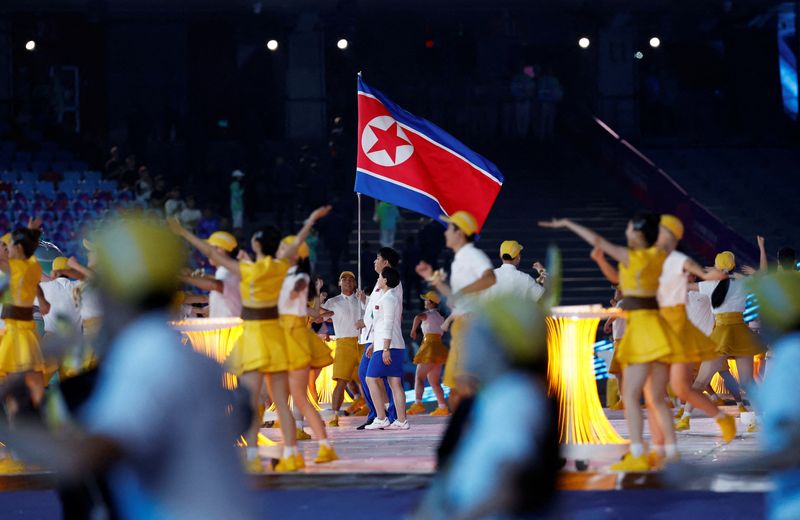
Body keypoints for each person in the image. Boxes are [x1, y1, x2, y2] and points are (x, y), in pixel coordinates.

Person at [0, 216, 258, 519]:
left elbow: (84, 458)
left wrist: (11, 417)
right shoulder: (187, 354)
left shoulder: (147, 355)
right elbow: (240, 416)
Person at [169, 204, 332, 473]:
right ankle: (292, 455)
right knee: (281, 402)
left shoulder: (248, 270)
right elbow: (298, 244)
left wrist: (184, 234)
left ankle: (253, 456)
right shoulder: (279, 266)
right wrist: (311, 219)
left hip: (254, 337)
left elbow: (210, 253)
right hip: (275, 338)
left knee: (251, 400)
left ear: (257, 244)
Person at [539, 213, 680, 471]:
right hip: (659, 330)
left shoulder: (634, 256)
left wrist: (569, 223)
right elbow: (618, 279)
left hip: (641, 332)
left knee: (630, 393)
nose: (626, 231)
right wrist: (601, 260)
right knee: (656, 398)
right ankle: (670, 453)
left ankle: (638, 453)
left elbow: (597, 240)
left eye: (629, 227)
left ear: (638, 233)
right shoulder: (656, 257)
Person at [663, 271, 800, 520]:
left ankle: (694, 415)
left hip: (793, 505)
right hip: (733, 334)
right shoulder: (789, 354)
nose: (761, 317)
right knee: (745, 383)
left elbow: (792, 452)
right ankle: (747, 417)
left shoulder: (791, 356)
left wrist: (702, 472)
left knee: (702, 383)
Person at [413, 296, 558, 519]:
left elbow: (508, 480)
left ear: (501, 346)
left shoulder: (516, 398)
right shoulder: (491, 397)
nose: (469, 342)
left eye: (478, 335)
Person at [416, 211, 496, 412]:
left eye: (449, 229)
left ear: (459, 233)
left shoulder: (471, 254)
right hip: (462, 326)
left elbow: (490, 278)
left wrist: (463, 294)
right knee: (457, 388)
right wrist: (432, 279)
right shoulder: (459, 259)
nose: (445, 233)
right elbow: (454, 298)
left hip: (470, 325)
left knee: (464, 385)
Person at [681, 251, 767, 431]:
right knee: (748, 382)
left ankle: (685, 418)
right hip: (740, 333)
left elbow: (686, 286)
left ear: (717, 267)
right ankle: (758, 420)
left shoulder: (710, 284)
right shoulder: (742, 282)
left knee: (700, 381)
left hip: (720, 334)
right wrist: (761, 249)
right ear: (733, 266)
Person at [276, 235, 338, 464]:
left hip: (296, 339)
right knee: (284, 397)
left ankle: (323, 446)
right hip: (283, 337)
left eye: (284, 247)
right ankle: (292, 451)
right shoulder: (286, 275)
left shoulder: (298, 277)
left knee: (298, 396)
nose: (279, 250)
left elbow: (300, 306)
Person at [0, 220, 47, 410]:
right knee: (29, 380)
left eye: (7, 245)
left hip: (17, 331)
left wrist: (30, 234)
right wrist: (31, 234)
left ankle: (26, 422)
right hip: (20, 331)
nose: (6, 249)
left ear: (17, 249)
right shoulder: (32, 267)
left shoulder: (16, 267)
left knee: (25, 380)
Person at [355, 247, 403, 430]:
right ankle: (380, 414)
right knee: (374, 376)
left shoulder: (391, 284)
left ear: (386, 263)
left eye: (377, 258)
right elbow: (376, 307)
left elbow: (387, 315)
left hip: (383, 337)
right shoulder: (379, 283)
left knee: (376, 377)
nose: (374, 262)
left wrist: (382, 344)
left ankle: (383, 415)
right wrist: (364, 300)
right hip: (375, 336)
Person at [364, 267, 409, 430]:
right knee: (394, 382)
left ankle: (381, 418)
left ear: (385, 280)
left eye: (380, 277)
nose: (378, 279)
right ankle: (401, 421)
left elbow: (388, 324)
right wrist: (375, 344)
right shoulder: (385, 297)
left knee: (370, 379)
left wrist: (384, 349)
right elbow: (380, 325)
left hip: (389, 345)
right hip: (388, 344)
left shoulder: (389, 298)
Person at [320, 271, 363, 426]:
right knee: (341, 381)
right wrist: (319, 301)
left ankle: (377, 412)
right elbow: (319, 317)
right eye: (343, 279)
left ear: (355, 283)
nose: (347, 282)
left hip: (362, 342)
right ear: (339, 283)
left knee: (370, 379)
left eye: (351, 280)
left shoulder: (362, 300)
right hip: (344, 343)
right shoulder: (333, 301)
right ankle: (334, 416)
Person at [181, 231, 242, 319]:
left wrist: (184, 278)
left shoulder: (227, 271)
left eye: (210, 249)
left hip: (230, 329)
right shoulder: (227, 271)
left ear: (220, 250)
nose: (207, 253)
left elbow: (215, 285)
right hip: (228, 328)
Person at [408, 291, 449, 416]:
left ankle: (418, 403)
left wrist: (413, 330)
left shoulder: (428, 314)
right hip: (439, 347)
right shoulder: (440, 316)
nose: (424, 302)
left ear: (431, 303)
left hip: (429, 346)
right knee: (434, 382)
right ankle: (442, 407)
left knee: (419, 377)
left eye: (426, 300)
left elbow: (417, 317)